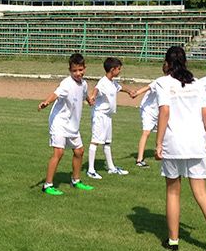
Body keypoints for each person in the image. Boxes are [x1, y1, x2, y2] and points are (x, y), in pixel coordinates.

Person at [153, 46, 206, 251]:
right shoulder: (197, 84)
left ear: (167, 63)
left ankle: (173, 241)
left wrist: (158, 143)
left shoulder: (163, 82)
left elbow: (164, 111)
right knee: (201, 193)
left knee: (173, 191)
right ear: (185, 62)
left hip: (173, 143)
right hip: (196, 143)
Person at [38, 53, 95, 195]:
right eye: (74, 71)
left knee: (79, 151)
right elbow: (55, 94)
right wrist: (46, 102)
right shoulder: (66, 84)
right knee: (59, 152)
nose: (78, 73)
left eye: (80, 70)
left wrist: (89, 100)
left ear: (84, 68)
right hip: (59, 122)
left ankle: (76, 180)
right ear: (70, 70)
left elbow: (84, 94)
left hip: (72, 124)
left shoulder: (84, 84)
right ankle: (47, 185)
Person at [86, 57, 134, 179]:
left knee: (107, 142)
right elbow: (96, 89)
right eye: (119, 69)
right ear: (112, 70)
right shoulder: (103, 82)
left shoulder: (112, 83)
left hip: (108, 117)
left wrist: (129, 91)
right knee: (95, 141)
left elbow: (120, 88)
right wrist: (93, 97)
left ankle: (111, 168)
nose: (120, 71)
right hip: (100, 116)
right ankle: (91, 170)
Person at [130, 68, 166, 168]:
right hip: (148, 110)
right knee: (146, 132)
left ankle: (161, 153)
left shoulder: (174, 83)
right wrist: (136, 93)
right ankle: (139, 160)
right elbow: (148, 87)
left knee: (164, 132)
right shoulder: (160, 81)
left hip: (159, 112)